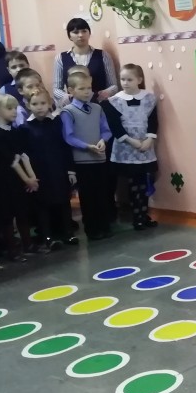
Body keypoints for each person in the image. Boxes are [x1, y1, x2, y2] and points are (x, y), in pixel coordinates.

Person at [101, 64, 159, 231]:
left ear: (139, 80)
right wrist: (131, 141)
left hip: (145, 147)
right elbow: (115, 126)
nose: (125, 83)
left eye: (129, 79)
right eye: (123, 79)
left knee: (144, 182)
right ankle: (137, 217)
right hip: (126, 147)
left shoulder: (149, 99)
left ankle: (144, 214)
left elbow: (153, 121)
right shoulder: (114, 101)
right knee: (133, 183)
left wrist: (149, 139)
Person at [0, 94, 38, 260]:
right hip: (3, 179)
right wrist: (27, 179)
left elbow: (22, 155)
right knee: (7, 215)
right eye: (9, 108)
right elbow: (11, 160)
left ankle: (28, 244)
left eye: (15, 108)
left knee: (22, 212)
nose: (14, 111)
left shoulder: (13, 130)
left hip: (17, 178)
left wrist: (32, 177)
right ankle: (12, 250)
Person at [60, 72, 113, 241]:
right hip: (82, 161)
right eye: (82, 88)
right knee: (88, 196)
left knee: (102, 193)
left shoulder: (97, 108)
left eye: (89, 88)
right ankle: (92, 229)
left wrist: (103, 140)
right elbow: (68, 137)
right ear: (71, 90)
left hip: (99, 158)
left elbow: (106, 130)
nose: (87, 91)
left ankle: (104, 225)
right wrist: (87, 146)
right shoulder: (68, 112)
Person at [23, 88, 78, 248]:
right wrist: (30, 175)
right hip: (39, 171)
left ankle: (68, 233)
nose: (39, 107)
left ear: (49, 104)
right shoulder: (25, 128)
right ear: (28, 105)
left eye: (43, 103)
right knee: (42, 204)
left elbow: (65, 147)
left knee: (63, 201)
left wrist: (70, 170)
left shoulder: (56, 123)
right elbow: (25, 154)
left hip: (58, 169)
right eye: (35, 104)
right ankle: (47, 236)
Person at [53, 18, 117, 105]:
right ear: (69, 36)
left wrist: (106, 92)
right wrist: (67, 97)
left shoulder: (103, 55)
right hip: (74, 106)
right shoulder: (60, 58)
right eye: (76, 32)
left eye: (84, 31)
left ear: (89, 33)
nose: (80, 35)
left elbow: (113, 86)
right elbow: (56, 89)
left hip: (100, 104)